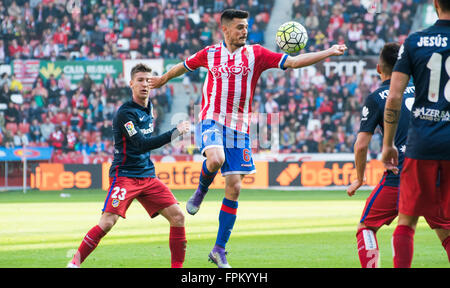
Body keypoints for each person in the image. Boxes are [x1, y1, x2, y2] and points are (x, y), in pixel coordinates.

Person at [149, 9, 347, 267]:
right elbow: (182, 66)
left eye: (246, 27)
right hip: (211, 118)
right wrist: (163, 79)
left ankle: (219, 249)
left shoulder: (256, 54)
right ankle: (200, 191)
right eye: (240, 27)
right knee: (216, 158)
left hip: (240, 128)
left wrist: (329, 51)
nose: (245, 31)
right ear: (225, 30)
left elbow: (295, 62)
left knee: (235, 187)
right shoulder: (209, 53)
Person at [67, 64, 191, 268]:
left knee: (178, 217)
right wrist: (174, 133)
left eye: (148, 80)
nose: (144, 84)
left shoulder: (149, 107)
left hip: (147, 176)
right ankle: (74, 264)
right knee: (107, 222)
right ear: (131, 83)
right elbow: (141, 144)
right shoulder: (125, 114)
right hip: (124, 175)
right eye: (140, 80)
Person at [347, 43, 450, 268]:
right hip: (436, 174)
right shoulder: (428, 91)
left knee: (366, 228)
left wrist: (359, 177)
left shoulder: (377, 98)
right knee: (447, 236)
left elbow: (361, 145)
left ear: (378, 69)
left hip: (400, 176)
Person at [381, 0, 450, 268]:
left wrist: (388, 144)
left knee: (407, 220)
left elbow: (394, 97)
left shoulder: (415, 41)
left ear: (434, 4)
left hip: (422, 143)